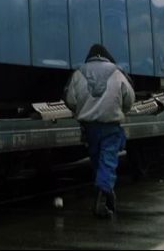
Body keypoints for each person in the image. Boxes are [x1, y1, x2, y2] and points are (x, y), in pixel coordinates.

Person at [63, 43, 135, 218]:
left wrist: (80, 110)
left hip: (89, 127)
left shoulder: (79, 72)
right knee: (108, 160)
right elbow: (129, 98)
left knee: (97, 160)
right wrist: (121, 111)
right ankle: (103, 195)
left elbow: (70, 99)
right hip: (110, 125)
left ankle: (106, 194)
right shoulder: (117, 72)